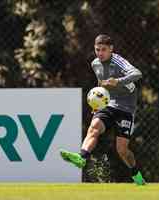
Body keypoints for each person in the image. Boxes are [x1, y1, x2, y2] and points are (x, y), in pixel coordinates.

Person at [60, 34, 145, 185]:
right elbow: (101, 83)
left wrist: (118, 81)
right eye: (97, 50)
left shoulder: (118, 61)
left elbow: (137, 73)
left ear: (111, 49)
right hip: (109, 104)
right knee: (94, 128)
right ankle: (82, 157)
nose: (100, 53)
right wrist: (98, 103)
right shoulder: (95, 64)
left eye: (103, 50)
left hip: (126, 108)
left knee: (122, 150)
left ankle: (136, 174)